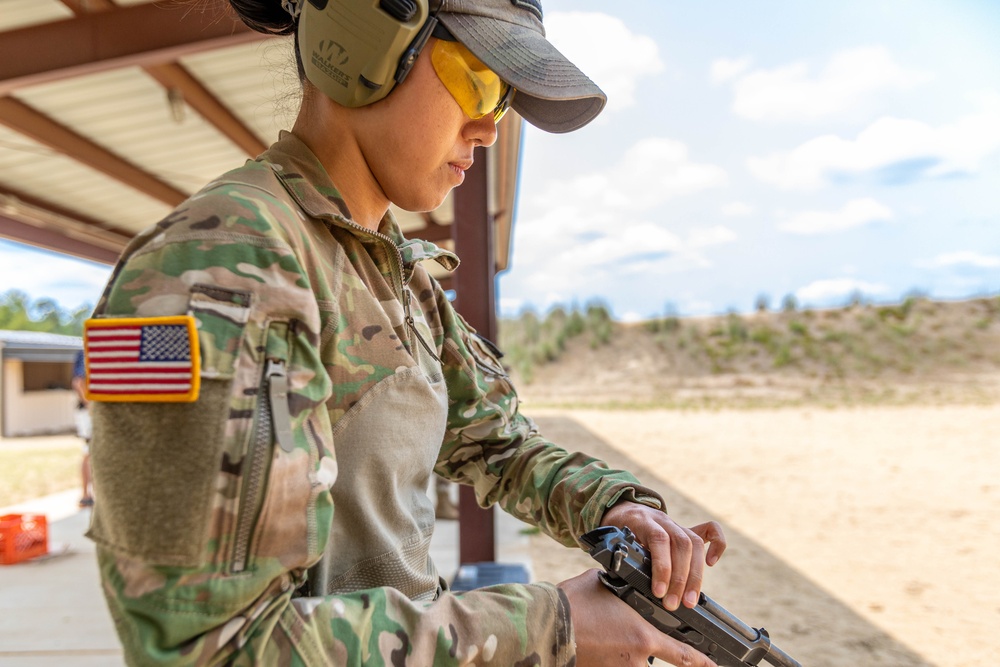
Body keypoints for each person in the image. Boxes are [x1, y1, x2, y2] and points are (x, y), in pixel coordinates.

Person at [83, 0, 726, 665]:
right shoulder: (219, 263)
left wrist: (612, 506)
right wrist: (548, 625)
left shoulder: (398, 272)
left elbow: (495, 443)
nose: (487, 127)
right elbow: (212, 647)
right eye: (477, 78)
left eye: (503, 101)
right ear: (367, 45)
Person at [71, 349, 93, 508]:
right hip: (88, 411)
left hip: (92, 410)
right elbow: (79, 381)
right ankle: (86, 495)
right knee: (89, 451)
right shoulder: (86, 352)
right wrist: (89, 404)